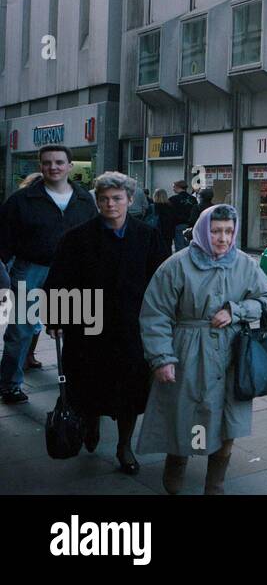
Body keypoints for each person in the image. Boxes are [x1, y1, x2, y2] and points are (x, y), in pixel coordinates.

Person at [138, 204, 267, 494]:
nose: (223, 238)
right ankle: (173, 479)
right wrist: (162, 358)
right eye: (215, 231)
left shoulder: (245, 263)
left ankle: (215, 485)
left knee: (228, 420)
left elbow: (265, 296)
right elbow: (156, 314)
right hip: (189, 351)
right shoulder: (177, 265)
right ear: (202, 231)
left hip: (232, 353)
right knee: (185, 416)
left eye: (228, 231)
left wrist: (236, 310)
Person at [45, 172, 170, 474]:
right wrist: (56, 318)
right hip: (87, 327)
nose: (110, 204)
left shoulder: (147, 236)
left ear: (129, 200)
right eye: (103, 199)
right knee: (87, 385)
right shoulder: (77, 238)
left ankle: (124, 445)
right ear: (96, 201)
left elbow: (163, 280)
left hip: (131, 327)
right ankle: (90, 425)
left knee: (130, 391)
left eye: (116, 198)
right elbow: (59, 280)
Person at [0, 144, 98, 404]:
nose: (53, 167)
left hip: (71, 272)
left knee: (76, 329)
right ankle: (9, 384)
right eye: (47, 162)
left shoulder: (84, 199)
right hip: (30, 269)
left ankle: (78, 381)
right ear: (40, 166)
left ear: (69, 166)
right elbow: (4, 238)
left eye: (58, 162)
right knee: (20, 330)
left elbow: (93, 237)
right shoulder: (21, 200)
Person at [168, 180, 198, 249]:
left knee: (179, 247)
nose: (173, 189)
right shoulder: (193, 199)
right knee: (188, 247)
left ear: (177, 187)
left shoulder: (173, 199)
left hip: (178, 225)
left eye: (173, 187)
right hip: (190, 226)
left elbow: (170, 214)